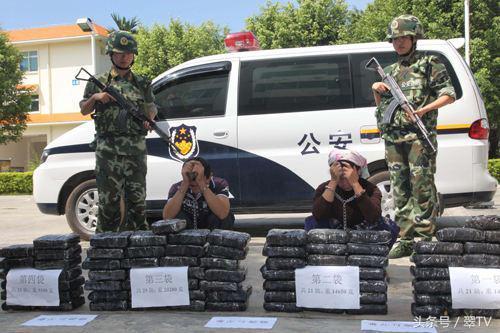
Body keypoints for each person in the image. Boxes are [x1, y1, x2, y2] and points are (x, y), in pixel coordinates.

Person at [371, 15, 456, 258]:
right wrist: (377, 91)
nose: (399, 43)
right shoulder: (389, 71)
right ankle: (405, 238)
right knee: (399, 189)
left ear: (413, 37)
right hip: (394, 140)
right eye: (395, 39)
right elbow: (383, 110)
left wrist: (424, 110)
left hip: (420, 137)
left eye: (403, 38)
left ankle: (426, 237)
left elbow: (448, 94)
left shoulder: (430, 63)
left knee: (423, 188)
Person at [80, 31, 157, 233]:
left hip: (135, 150)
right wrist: (96, 97)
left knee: (137, 203)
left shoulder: (142, 82)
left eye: (129, 53)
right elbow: (83, 109)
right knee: (108, 204)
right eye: (120, 53)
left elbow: (151, 107)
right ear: (111, 55)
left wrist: (150, 119)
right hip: (108, 151)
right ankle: (105, 249)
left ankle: (139, 246)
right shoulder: (98, 81)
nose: (124, 57)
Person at [305, 148, 399, 248]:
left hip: (362, 232)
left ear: (358, 171)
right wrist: (333, 182)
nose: (344, 181)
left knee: (390, 226)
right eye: (340, 177)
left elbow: (374, 217)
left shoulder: (371, 189)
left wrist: (354, 183)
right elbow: (318, 215)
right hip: (335, 233)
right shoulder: (324, 188)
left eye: (347, 177)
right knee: (311, 222)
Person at [163, 156, 235, 230]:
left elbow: (223, 213)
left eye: (198, 177)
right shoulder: (178, 187)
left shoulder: (219, 184)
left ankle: (214, 241)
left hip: (211, 225)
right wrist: (184, 185)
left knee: (226, 216)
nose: (194, 182)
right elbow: (167, 217)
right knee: (177, 216)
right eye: (191, 177)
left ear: (209, 177)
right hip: (188, 227)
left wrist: (202, 184)